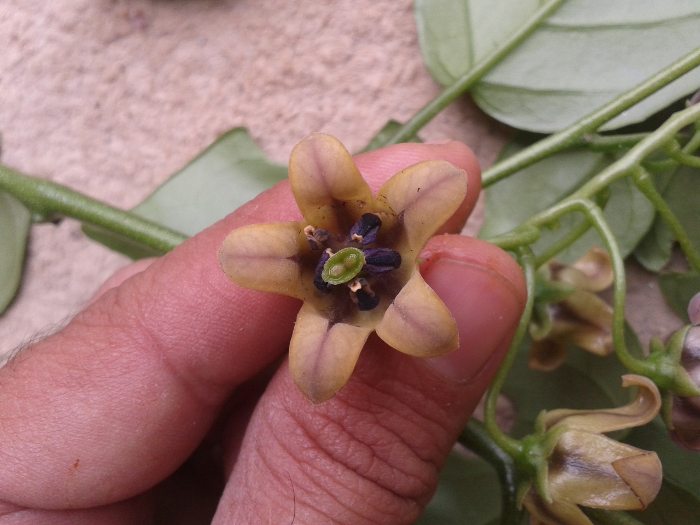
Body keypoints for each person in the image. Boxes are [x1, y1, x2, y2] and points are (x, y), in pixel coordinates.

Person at [0, 140, 526, 524]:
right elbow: (256, 242)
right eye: (340, 259)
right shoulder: (320, 270)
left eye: (351, 256)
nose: (344, 261)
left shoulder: (356, 252)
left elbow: (435, 181)